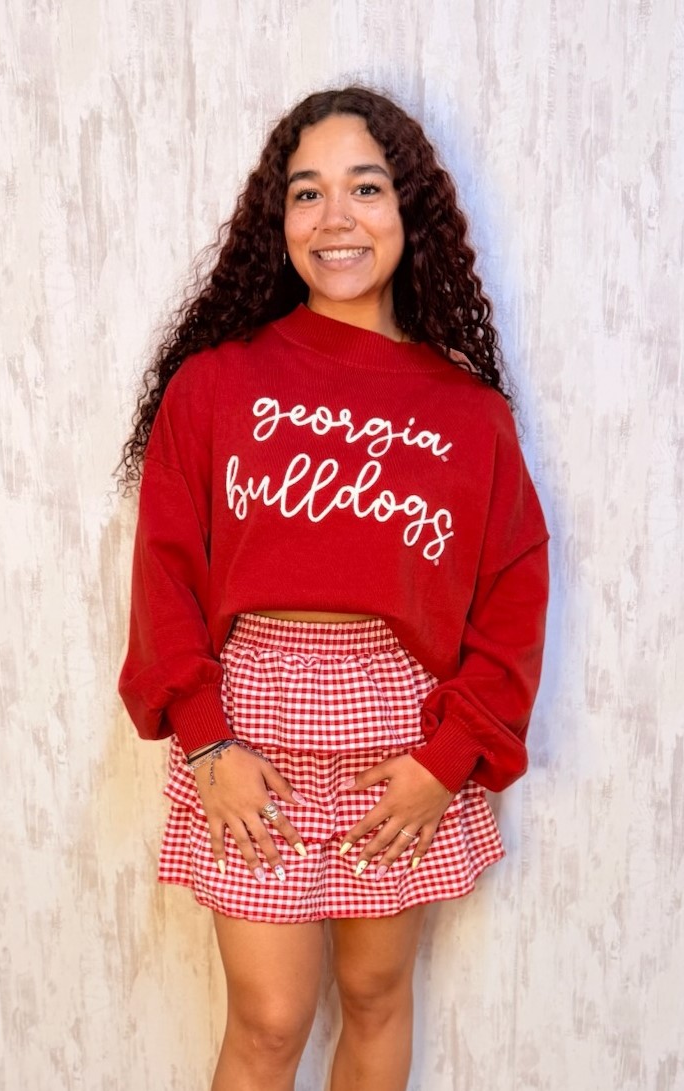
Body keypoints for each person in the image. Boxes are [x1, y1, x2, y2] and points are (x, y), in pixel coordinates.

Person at [118, 85, 549, 1091]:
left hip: (398, 739)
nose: (336, 217)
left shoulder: (467, 412)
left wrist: (446, 757)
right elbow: (166, 572)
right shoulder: (215, 383)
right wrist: (208, 739)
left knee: (375, 996)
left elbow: (515, 591)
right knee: (269, 1020)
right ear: (280, 222)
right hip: (246, 728)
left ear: (409, 214)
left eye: (365, 187)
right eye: (306, 193)